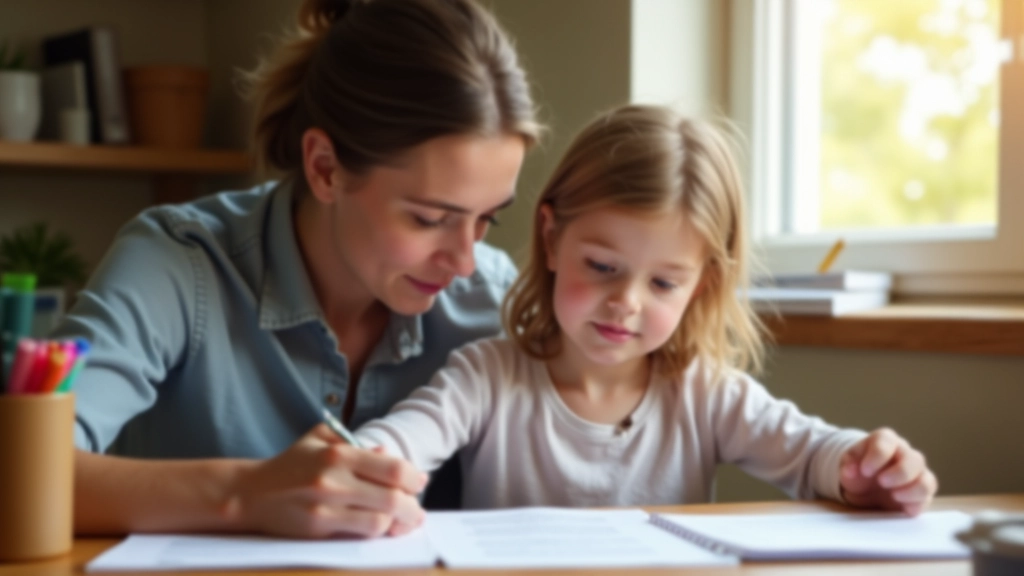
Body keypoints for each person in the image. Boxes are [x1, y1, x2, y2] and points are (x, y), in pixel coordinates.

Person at [55, 0, 540, 538]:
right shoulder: (175, 263)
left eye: (487, 219)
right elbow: (21, 468)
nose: (465, 261)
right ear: (325, 168)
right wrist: (243, 495)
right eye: (429, 219)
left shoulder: (492, 300)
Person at [355, 105, 938, 514]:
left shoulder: (705, 393)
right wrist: (356, 464)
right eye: (602, 267)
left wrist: (865, 468)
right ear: (552, 239)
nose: (625, 303)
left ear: (702, 286)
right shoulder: (486, 378)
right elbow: (399, 443)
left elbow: (812, 454)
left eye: (663, 283)